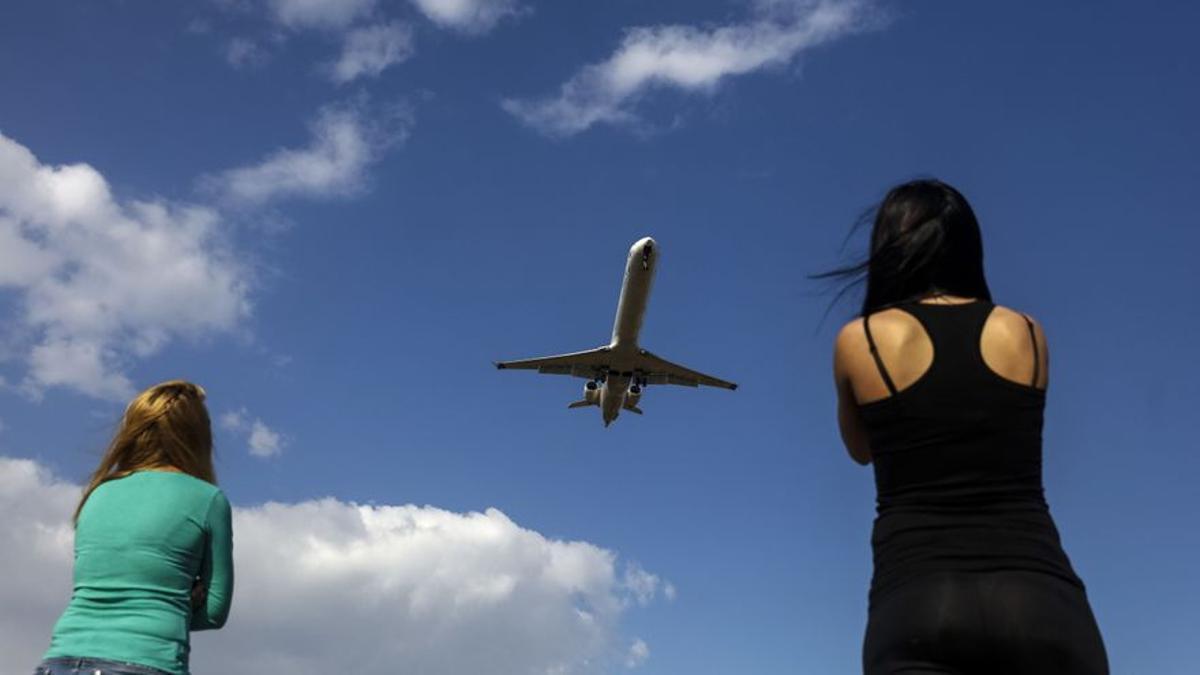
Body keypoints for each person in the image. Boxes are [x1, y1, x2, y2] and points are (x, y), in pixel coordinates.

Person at [820, 180, 1108, 674]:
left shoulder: (861, 339)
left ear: (889, 248)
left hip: (918, 599)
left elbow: (860, 449)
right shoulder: (1026, 333)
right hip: (1041, 598)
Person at [35, 380, 233, 675]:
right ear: (199, 435)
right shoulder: (208, 499)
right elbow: (215, 611)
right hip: (146, 661)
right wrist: (171, 604)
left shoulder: (98, 493)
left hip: (61, 661)